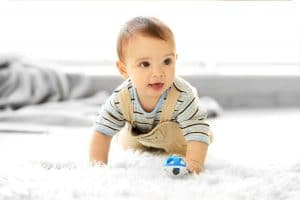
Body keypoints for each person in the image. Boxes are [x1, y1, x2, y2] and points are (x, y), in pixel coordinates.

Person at [89, 16, 213, 174]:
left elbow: (197, 130)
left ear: (175, 59)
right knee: (124, 139)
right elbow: (101, 132)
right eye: (145, 64)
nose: (158, 73)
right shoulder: (121, 99)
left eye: (167, 62)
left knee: (199, 134)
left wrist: (194, 164)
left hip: (178, 140)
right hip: (138, 138)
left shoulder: (182, 95)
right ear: (123, 70)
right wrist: (97, 167)